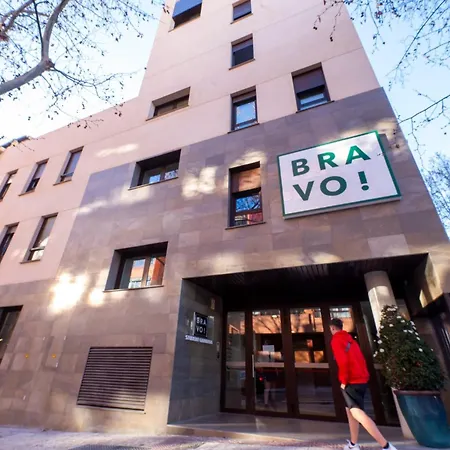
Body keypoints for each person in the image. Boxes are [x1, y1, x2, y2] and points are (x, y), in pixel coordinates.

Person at [329, 318, 397, 450]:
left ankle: (386, 446)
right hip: (361, 379)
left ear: (332, 328)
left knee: (357, 413)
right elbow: (360, 359)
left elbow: (343, 362)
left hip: (351, 381)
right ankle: (353, 444)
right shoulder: (351, 340)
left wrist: (344, 381)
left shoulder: (336, 340)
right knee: (350, 412)